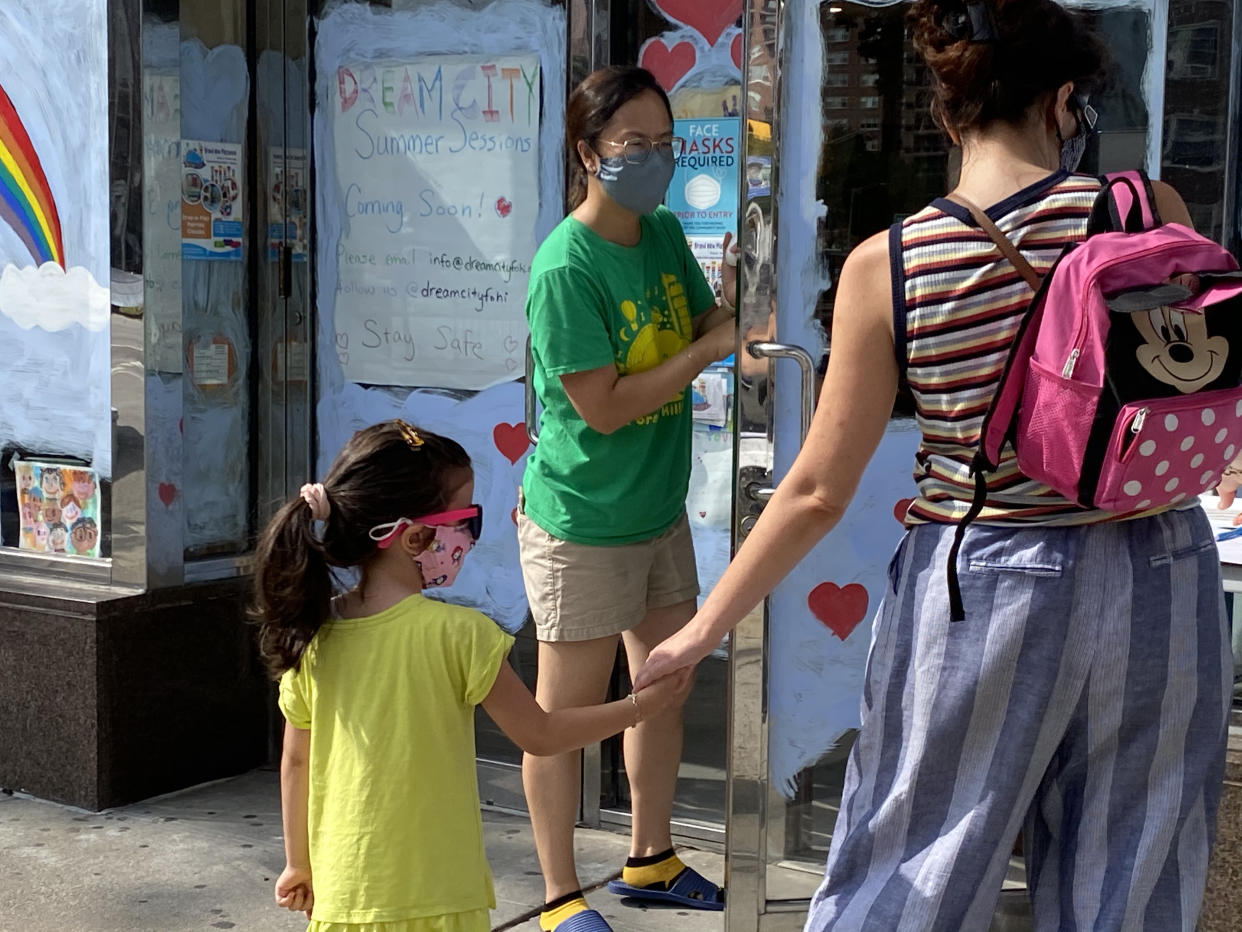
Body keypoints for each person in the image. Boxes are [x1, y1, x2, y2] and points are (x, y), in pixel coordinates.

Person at [636, 2, 1233, 930]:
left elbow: (818, 489)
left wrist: (700, 632)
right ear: (1063, 101)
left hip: (984, 578)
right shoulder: (1145, 212)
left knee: (912, 869)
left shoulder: (891, 264)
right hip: (1163, 569)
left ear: (949, 115)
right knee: (1137, 873)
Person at [253, 420, 692, 932]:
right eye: (467, 520)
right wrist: (644, 707)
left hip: (342, 899)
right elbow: (541, 734)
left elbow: (296, 761)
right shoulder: (460, 635)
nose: (471, 537)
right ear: (414, 536)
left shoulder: (313, 635)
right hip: (440, 897)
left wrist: (298, 862)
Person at [518, 66, 735, 929]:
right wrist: (704, 354)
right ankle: (557, 897)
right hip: (582, 522)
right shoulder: (564, 268)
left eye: (664, 145)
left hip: (657, 511)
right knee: (562, 717)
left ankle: (649, 856)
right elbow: (602, 407)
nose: (654, 162)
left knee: (664, 685)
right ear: (587, 154)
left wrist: (726, 337)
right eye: (632, 146)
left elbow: (713, 321)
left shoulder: (663, 233)